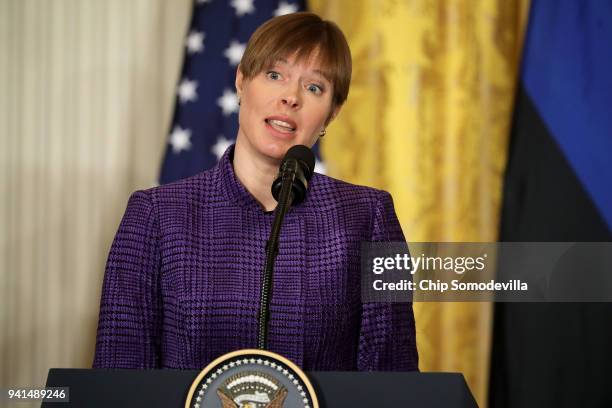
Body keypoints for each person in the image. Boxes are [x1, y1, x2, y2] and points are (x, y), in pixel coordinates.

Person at [93, 12, 418, 371]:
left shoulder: (369, 216)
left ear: (333, 113)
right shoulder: (155, 215)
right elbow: (119, 374)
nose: (290, 98)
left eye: (314, 88)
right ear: (241, 81)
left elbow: (393, 380)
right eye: (274, 75)